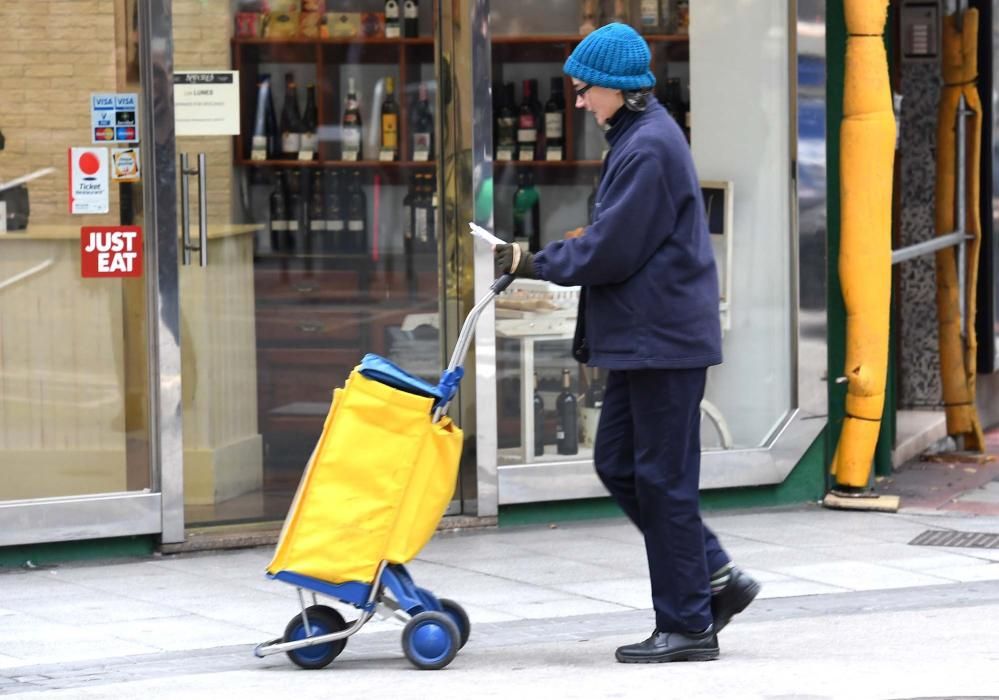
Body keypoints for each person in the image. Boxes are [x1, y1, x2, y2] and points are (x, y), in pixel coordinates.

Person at [494, 23, 759, 663]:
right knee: (619, 463)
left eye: (585, 91)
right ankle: (715, 578)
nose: (579, 103)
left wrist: (537, 261)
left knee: (663, 480)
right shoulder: (640, 138)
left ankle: (688, 624)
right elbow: (619, 235)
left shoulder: (647, 148)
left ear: (617, 88)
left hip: (661, 341)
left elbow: (613, 247)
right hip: (649, 338)